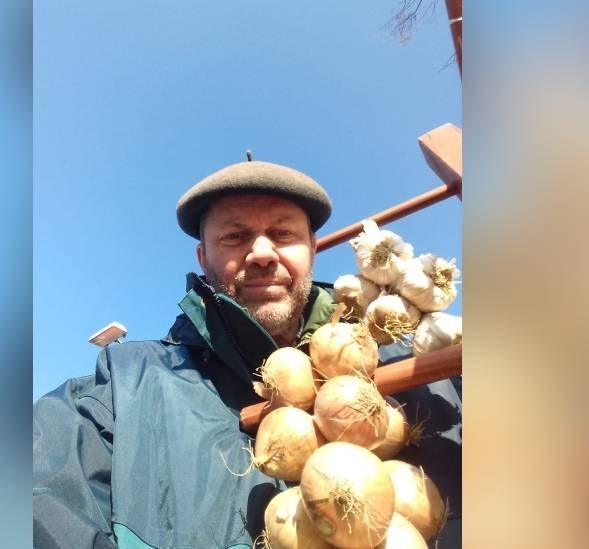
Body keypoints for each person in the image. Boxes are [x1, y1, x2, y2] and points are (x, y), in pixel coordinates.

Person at [33, 159, 462, 549]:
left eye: (282, 233)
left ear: (312, 248)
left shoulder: (430, 373)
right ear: (203, 257)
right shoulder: (120, 387)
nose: (260, 253)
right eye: (235, 236)